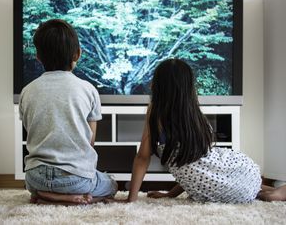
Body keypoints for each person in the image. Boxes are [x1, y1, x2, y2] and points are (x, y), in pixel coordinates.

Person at [121, 58, 286, 204]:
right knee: (246, 188)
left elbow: (143, 158)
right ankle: (271, 192)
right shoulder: (195, 114)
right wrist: (170, 195)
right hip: (235, 173)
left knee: (244, 189)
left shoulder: (155, 111)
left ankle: (268, 193)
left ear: (158, 86)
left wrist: (131, 199)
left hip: (215, 188)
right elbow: (198, 168)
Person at [19, 19, 118, 205]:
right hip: (77, 180)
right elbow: (90, 141)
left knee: (41, 183)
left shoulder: (27, 90)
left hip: (34, 179)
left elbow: (30, 130)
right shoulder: (88, 89)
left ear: (38, 57)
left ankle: (47, 195)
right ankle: (74, 198)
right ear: (77, 54)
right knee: (111, 185)